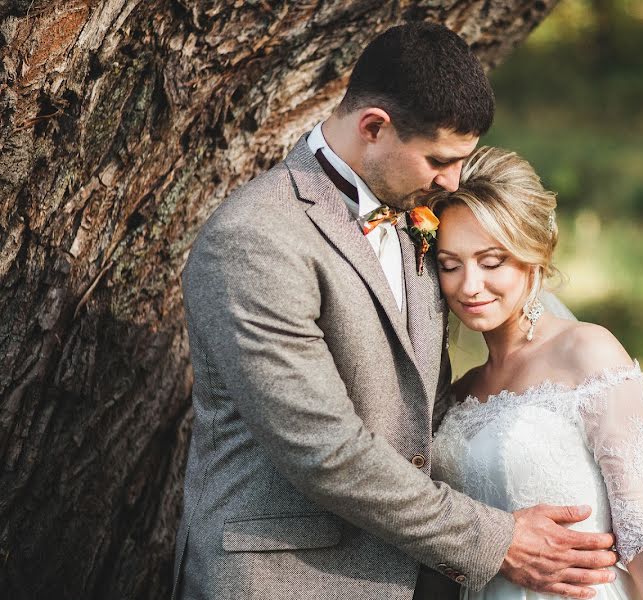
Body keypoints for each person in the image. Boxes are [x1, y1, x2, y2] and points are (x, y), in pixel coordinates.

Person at [173, 22, 619, 600]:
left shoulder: (417, 213)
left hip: (417, 575)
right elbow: (323, 448)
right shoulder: (256, 238)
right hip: (287, 580)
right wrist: (495, 538)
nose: (453, 181)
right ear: (374, 127)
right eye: (439, 159)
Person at [427, 146, 643, 599]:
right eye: (451, 265)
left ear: (533, 256)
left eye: (492, 263)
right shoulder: (459, 391)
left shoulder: (588, 353)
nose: (469, 286)